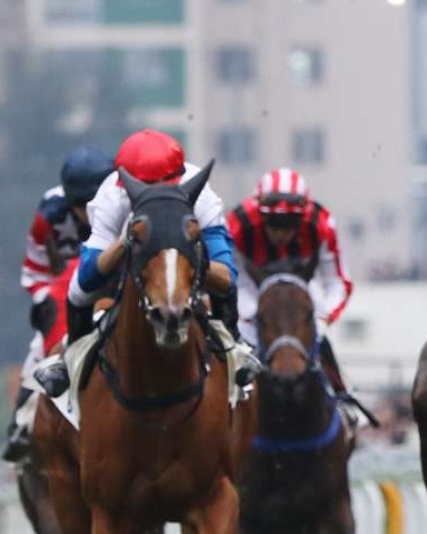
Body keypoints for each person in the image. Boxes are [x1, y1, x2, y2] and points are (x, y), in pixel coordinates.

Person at [33, 129, 244, 397]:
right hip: (127, 275)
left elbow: (226, 277)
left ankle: (235, 348)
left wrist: (194, 257)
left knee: (225, 289)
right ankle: (72, 358)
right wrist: (123, 243)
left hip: (186, 273)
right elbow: (86, 276)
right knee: (76, 291)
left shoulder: (200, 196)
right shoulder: (112, 196)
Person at [2, 145, 114, 462]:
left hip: (113, 289)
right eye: (79, 204)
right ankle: (22, 421)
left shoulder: (125, 206)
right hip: (64, 293)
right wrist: (48, 298)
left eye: (92, 203)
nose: (86, 211)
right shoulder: (49, 215)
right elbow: (34, 270)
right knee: (40, 347)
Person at [227, 167, 355, 399]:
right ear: (260, 214)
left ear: (303, 217)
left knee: (318, 342)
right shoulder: (237, 225)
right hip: (253, 295)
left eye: (290, 223)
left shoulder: (321, 225)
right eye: (273, 222)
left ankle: (344, 397)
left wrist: (323, 318)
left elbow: (338, 283)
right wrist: (255, 314)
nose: (281, 233)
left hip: (303, 292)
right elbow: (234, 279)